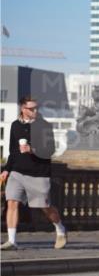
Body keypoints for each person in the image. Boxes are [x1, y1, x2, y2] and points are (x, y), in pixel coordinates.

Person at [1, 96, 67, 250]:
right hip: (17, 172)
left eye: (36, 108)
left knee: (45, 207)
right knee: (12, 203)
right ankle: (12, 241)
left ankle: (60, 229)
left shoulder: (44, 126)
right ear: (23, 109)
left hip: (38, 173)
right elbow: (13, 151)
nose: (35, 111)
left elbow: (50, 150)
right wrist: (6, 169)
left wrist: (33, 150)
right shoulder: (15, 125)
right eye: (31, 108)